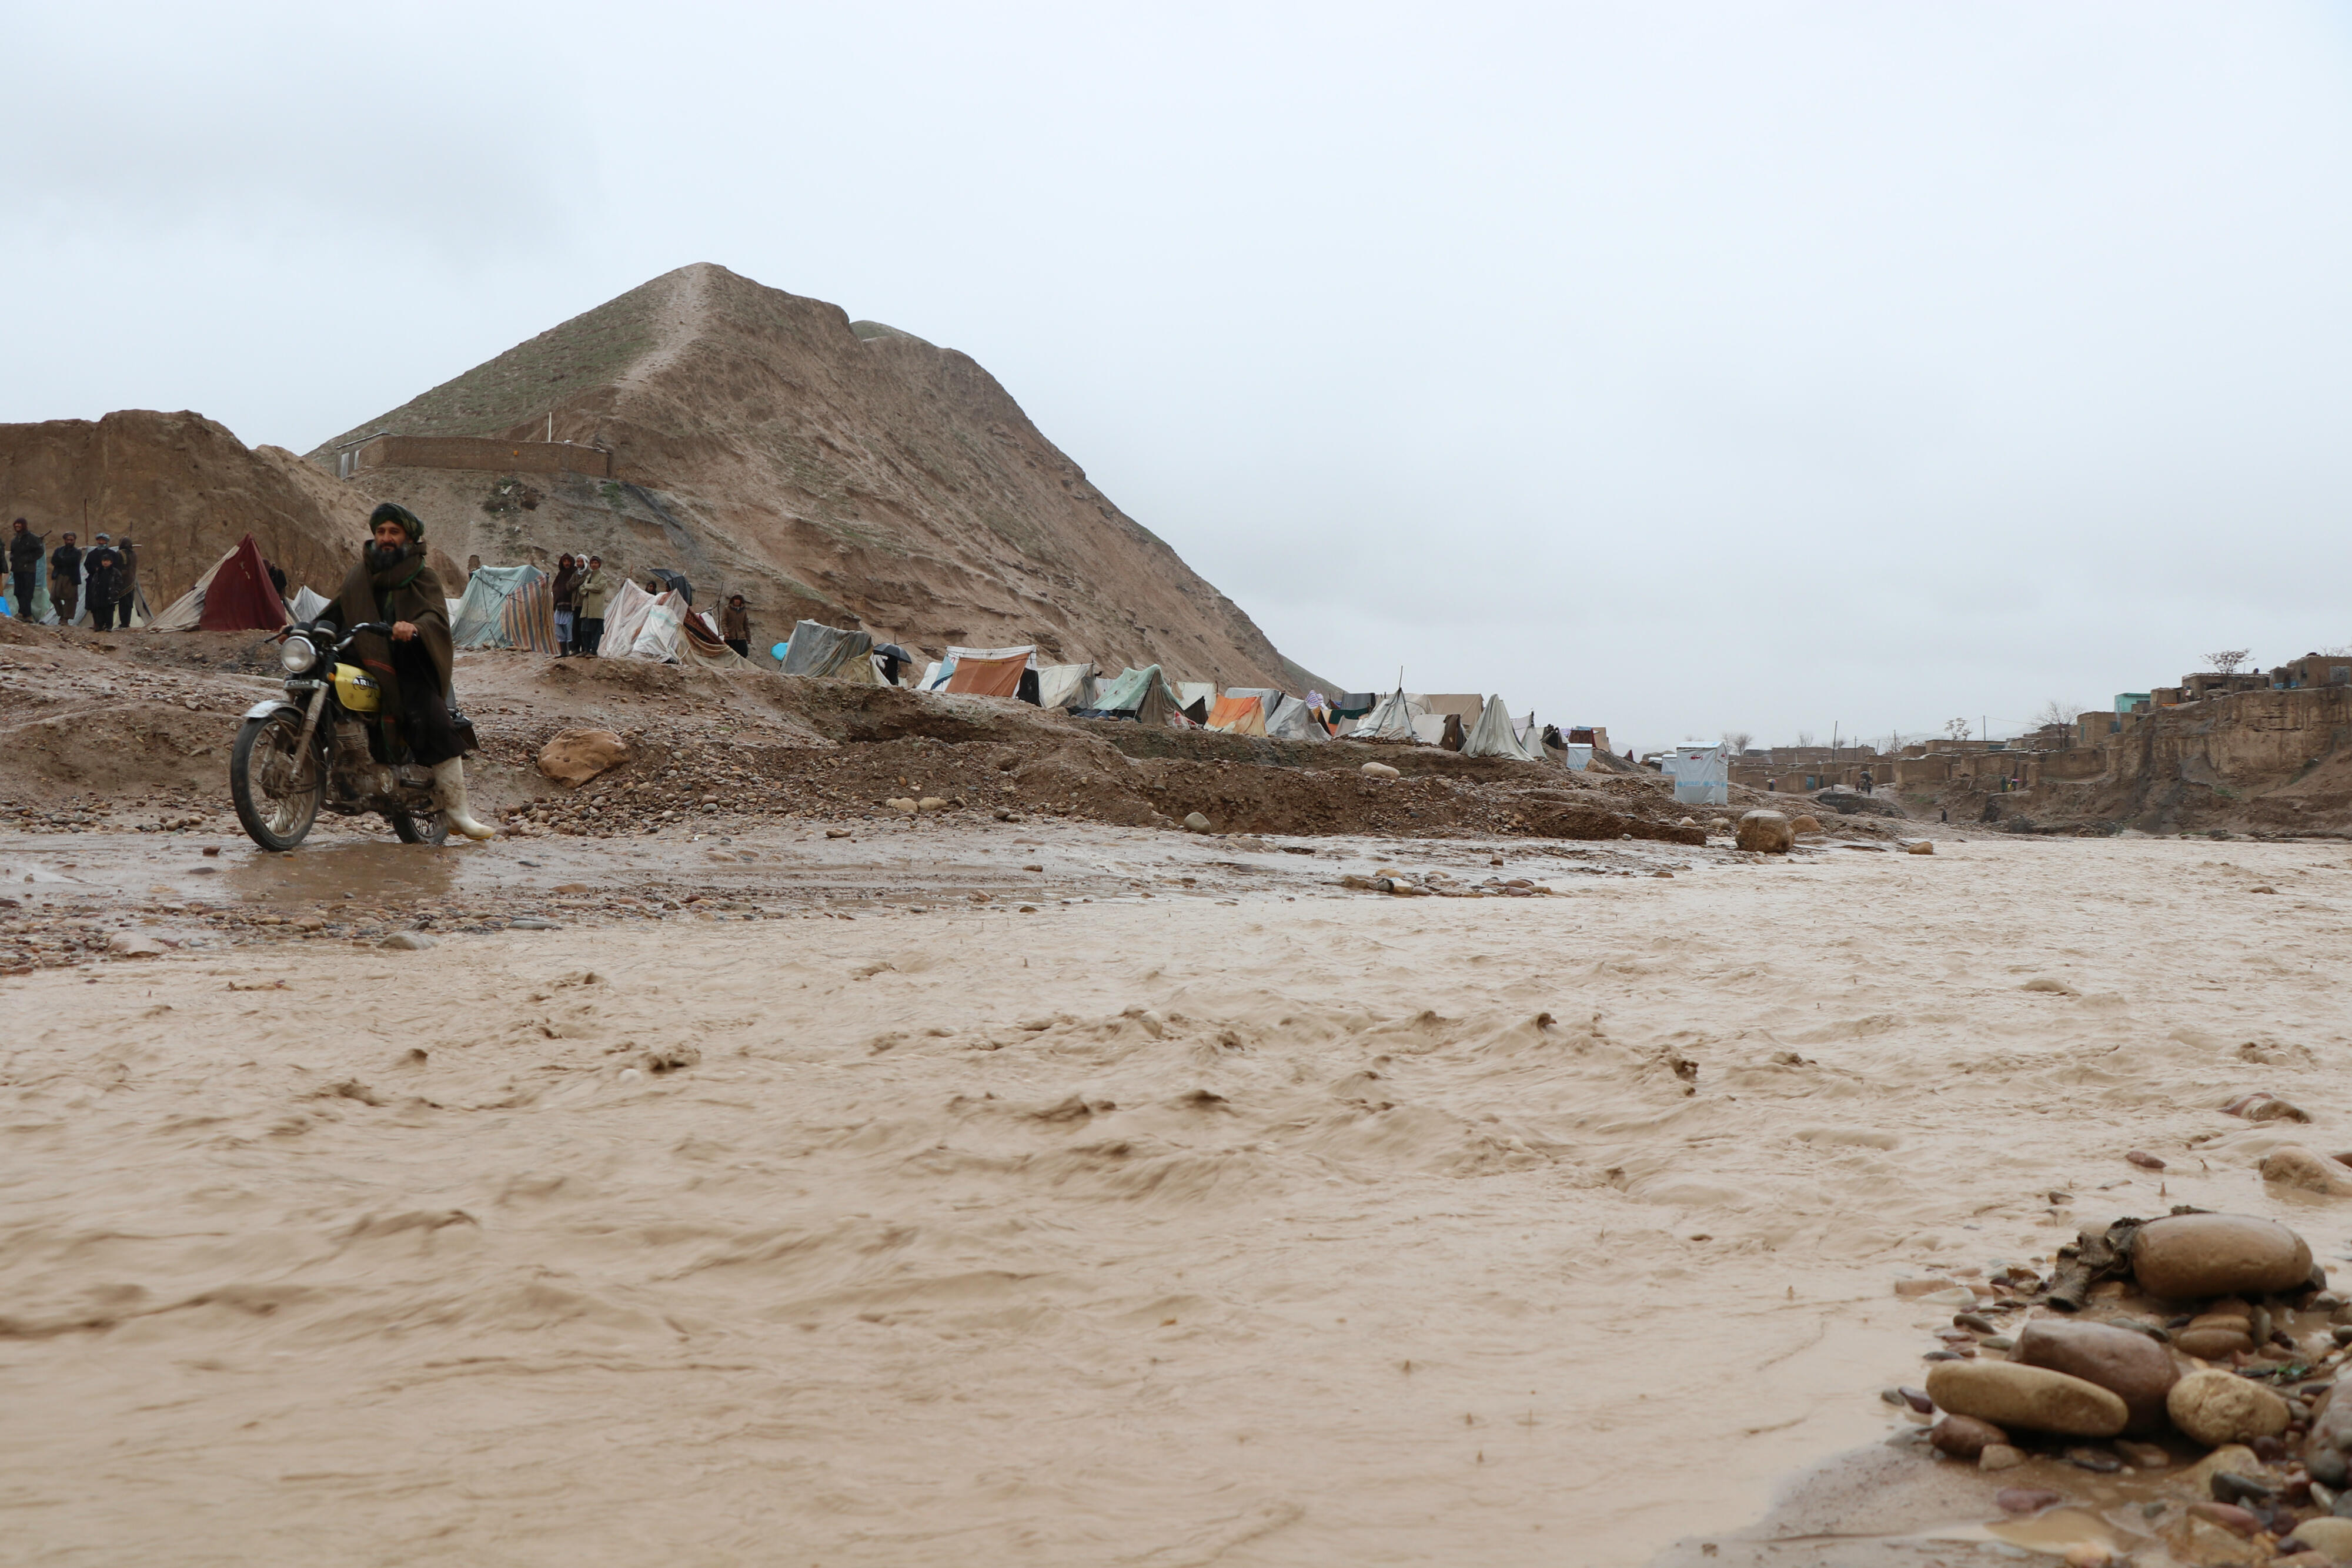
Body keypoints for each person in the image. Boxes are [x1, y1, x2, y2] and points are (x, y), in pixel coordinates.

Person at [330, 502, 493, 841]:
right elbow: (335, 611)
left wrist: (414, 628)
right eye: (380, 531)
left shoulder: (422, 576)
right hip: (363, 656)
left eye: (394, 532)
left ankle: (458, 810)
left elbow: (436, 618)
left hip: (406, 659)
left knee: (428, 712)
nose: (386, 538)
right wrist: (302, 629)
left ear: (408, 537)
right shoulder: (359, 574)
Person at [81, 533, 126, 630]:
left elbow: (118, 567)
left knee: (108, 606)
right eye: (100, 540)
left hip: (109, 583)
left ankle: (108, 625)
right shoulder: (92, 554)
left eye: (103, 541)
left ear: (107, 541)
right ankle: (97, 624)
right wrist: (95, 570)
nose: (101, 543)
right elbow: (87, 565)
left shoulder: (113, 554)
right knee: (94, 605)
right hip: (95, 582)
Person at [572, 554, 612, 657]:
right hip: (586, 607)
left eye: (596, 563)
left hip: (596, 608)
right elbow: (581, 589)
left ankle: (593, 651)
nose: (594, 565)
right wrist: (587, 588)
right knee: (585, 630)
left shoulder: (603, 576)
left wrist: (587, 587)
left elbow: (600, 587)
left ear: (599, 564)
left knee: (595, 631)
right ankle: (586, 650)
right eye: (592, 563)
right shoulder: (589, 576)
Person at [8, 519, 41, 617]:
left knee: (27, 592)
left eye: (19, 524)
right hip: (17, 569)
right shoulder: (15, 540)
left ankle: (26, 614)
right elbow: (13, 552)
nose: (17, 526)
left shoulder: (32, 538)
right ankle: (22, 612)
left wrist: (28, 559)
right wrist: (12, 558)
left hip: (29, 570)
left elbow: (40, 551)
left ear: (24, 525)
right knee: (18, 592)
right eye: (16, 524)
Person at [49, 531, 81, 624]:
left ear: (75, 541)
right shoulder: (59, 550)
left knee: (70, 599)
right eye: (68, 540)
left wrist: (62, 560)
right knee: (54, 597)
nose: (70, 542)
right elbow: (54, 561)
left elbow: (73, 561)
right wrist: (64, 560)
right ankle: (62, 614)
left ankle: (65, 619)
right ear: (64, 540)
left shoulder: (77, 552)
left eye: (72, 540)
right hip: (59, 576)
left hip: (71, 577)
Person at [551, 553, 579, 656]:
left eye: (568, 561)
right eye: (564, 561)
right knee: (559, 629)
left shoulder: (575, 573)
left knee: (570, 629)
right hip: (560, 606)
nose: (567, 563)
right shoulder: (560, 575)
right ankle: (564, 652)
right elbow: (555, 589)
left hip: (570, 607)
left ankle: (572, 650)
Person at [720, 593, 751, 658]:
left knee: (744, 654)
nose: (737, 601)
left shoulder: (743, 611)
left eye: (739, 599)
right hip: (730, 636)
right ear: (733, 600)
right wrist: (726, 632)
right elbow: (724, 622)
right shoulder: (727, 609)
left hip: (741, 637)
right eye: (736, 599)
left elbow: (746, 625)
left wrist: (749, 638)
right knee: (729, 654)